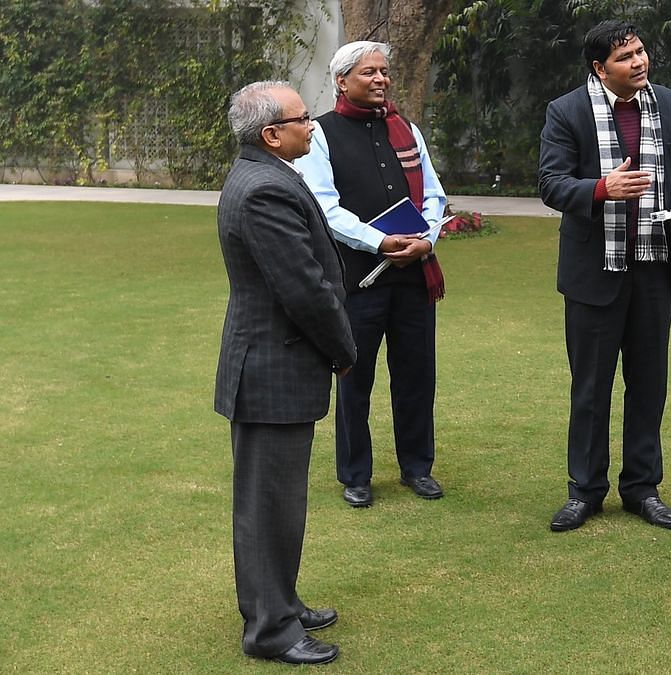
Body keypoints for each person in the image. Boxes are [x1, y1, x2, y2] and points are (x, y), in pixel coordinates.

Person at [538, 20, 671, 532]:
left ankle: (642, 488)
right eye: (626, 56)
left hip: (652, 267)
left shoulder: (667, 104)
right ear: (599, 68)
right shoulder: (566, 111)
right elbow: (550, 183)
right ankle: (584, 491)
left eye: (640, 51)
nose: (640, 61)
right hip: (595, 273)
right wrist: (603, 189)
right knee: (590, 387)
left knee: (649, 383)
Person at [215, 81, 357, 665]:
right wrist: (344, 349)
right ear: (272, 133)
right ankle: (270, 629)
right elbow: (303, 288)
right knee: (267, 503)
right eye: (303, 119)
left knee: (279, 501)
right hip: (273, 367)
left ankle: (282, 602)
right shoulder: (263, 191)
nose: (313, 126)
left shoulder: (268, 174)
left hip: (276, 362)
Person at [295, 41, 449, 508]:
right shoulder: (319, 134)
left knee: (417, 376)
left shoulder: (407, 130)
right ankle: (355, 474)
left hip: (414, 276)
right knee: (354, 377)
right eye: (370, 72)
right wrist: (379, 242)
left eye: (385, 71)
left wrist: (427, 240)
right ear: (342, 81)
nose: (381, 79)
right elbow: (324, 206)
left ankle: (417, 468)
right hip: (355, 279)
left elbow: (435, 198)